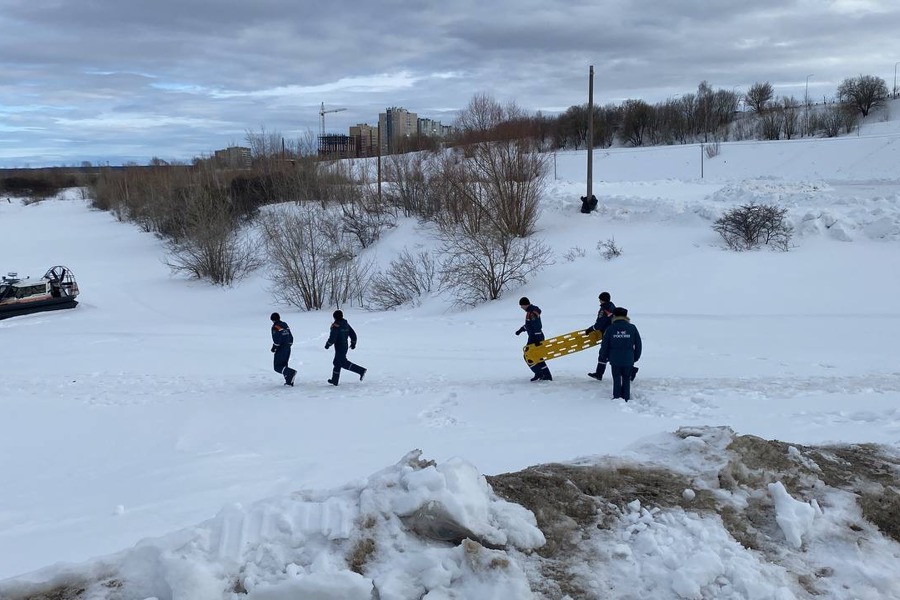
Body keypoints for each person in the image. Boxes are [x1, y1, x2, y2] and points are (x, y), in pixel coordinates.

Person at [598, 307, 642, 401]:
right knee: (626, 378)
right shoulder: (632, 328)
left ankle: (617, 397)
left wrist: (603, 356)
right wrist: (635, 357)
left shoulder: (610, 328)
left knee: (616, 378)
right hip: (629, 358)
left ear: (615, 316)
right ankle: (626, 397)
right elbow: (638, 344)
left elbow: (605, 344)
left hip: (614, 359)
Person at [325, 310, 367, 386]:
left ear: (335, 317)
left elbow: (333, 337)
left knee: (343, 363)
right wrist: (353, 343)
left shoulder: (336, 326)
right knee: (337, 362)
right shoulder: (345, 324)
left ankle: (361, 370)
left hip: (339, 346)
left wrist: (328, 344)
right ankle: (334, 380)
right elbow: (353, 334)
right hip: (345, 346)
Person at [515, 297, 552, 381]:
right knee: (537, 356)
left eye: (522, 306)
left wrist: (537, 339)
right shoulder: (530, 312)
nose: (521, 308)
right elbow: (529, 325)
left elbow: (536, 326)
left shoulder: (531, 313)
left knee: (528, 355)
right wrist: (521, 330)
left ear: (525, 304)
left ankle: (539, 373)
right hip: (534, 336)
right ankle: (545, 375)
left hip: (535, 337)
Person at [586, 292, 616, 381]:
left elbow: (600, 323)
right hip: (613, 333)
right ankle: (599, 374)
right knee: (611, 354)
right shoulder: (612, 306)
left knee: (604, 353)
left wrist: (591, 329)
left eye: (600, 299)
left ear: (603, 299)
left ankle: (599, 374)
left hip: (607, 334)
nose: (599, 301)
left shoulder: (604, 309)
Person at [270, 312, 297, 386]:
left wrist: (274, 347)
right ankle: (289, 381)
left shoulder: (275, 327)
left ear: (272, 320)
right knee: (284, 365)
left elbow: (276, 340)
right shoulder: (285, 324)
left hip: (281, 348)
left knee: (277, 367)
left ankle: (291, 373)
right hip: (288, 347)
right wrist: (289, 344)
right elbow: (290, 336)